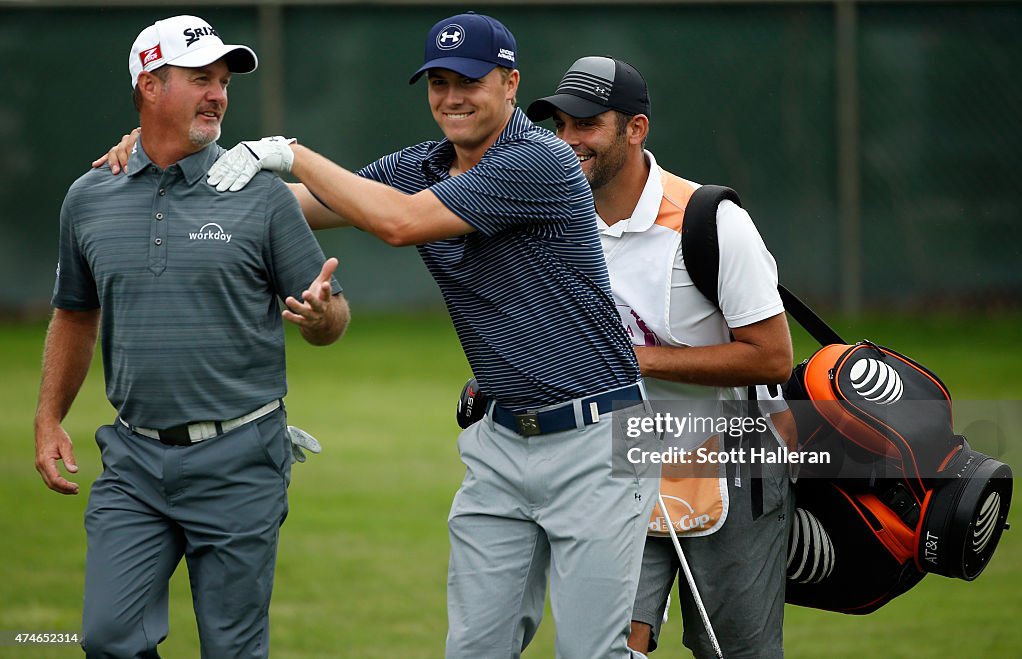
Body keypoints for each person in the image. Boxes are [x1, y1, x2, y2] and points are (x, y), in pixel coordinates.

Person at [178, 13, 659, 659]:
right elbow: (302, 204)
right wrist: (168, 167)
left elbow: (401, 223)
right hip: (500, 442)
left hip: (597, 441)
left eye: (469, 80)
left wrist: (291, 151)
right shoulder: (421, 162)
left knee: (589, 652)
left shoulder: (542, 160)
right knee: (472, 649)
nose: (452, 96)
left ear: (510, 83)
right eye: (438, 81)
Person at [34, 15, 349, 658]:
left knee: (232, 649)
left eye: (224, 82)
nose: (218, 94)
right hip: (133, 461)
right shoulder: (89, 197)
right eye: (200, 78)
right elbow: (73, 313)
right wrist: (48, 417)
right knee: (108, 637)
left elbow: (332, 313)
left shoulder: (260, 195)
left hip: (241, 461)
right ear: (150, 85)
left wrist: (322, 317)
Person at [526, 57, 794, 658]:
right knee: (614, 643)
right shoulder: (555, 220)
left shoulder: (712, 221)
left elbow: (773, 358)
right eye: (560, 125)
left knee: (733, 652)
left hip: (736, 462)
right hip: (619, 459)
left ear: (636, 129)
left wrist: (636, 361)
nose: (570, 141)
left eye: (588, 124)